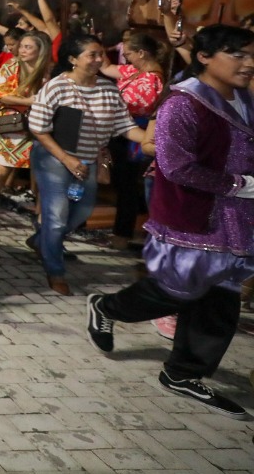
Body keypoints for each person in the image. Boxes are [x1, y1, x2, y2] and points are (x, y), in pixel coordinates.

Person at [85, 25, 254, 419]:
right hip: (193, 217)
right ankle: (107, 307)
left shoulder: (245, 98)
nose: (248, 63)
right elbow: (176, 166)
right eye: (238, 54)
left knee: (222, 300)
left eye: (250, 55)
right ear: (205, 58)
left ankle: (183, 373)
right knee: (176, 291)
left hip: (237, 218)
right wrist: (240, 184)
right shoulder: (183, 104)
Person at [27, 35, 148, 295]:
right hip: (54, 158)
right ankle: (55, 270)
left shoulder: (108, 89)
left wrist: (155, 138)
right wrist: (67, 159)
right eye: (91, 55)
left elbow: (124, 126)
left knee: (81, 212)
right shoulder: (56, 87)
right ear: (72, 59)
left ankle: (41, 239)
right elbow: (38, 129)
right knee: (57, 217)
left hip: (87, 160)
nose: (98, 60)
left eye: (100, 54)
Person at [0, 32, 52, 233]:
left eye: (28, 47)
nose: (22, 50)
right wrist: (29, 101)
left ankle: (42, 225)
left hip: (40, 127)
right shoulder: (11, 66)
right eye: (22, 46)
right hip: (13, 126)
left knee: (44, 176)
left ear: (40, 50)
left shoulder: (47, 70)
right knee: (0, 172)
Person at [100, 32, 166, 250]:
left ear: (141, 53)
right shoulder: (135, 71)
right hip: (120, 131)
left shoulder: (152, 79)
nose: (125, 58)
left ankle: (123, 234)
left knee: (127, 185)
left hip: (133, 134)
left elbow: (136, 107)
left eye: (128, 53)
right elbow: (107, 68)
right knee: (123, 183)